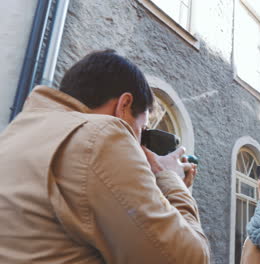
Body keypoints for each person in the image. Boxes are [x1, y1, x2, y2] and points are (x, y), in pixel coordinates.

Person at [0, 50, 210, 263]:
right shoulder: (102, 136)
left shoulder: (15, 134)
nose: (138, 144)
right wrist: (171, 179)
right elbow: (189, 258)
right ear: (124, 105)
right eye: (141, 129)